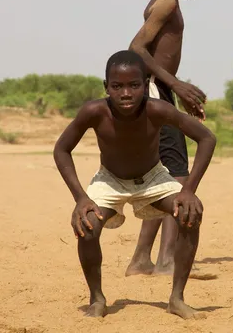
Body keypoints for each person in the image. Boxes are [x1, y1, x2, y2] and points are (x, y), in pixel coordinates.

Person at [53, 51, 216, 318]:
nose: (126, 93)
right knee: (88, 225)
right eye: (117, 86)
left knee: (190, 213)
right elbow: (61, 150)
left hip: (153, 178)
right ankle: (97, 299)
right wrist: (80, 197)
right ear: (106, 87)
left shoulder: (158, 109)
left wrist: (188, 190)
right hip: (110, 179)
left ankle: (177, 299)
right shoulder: (94, 112)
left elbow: (206, 138)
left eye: (134, 85)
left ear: (146, 85)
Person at [126, 0, 210, 276]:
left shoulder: (164, 1)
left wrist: (176, 91)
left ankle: (141, 259)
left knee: (166, 177)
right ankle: (166, 262)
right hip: (155, 93)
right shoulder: (166, 3)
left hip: (159, 93)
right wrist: (175, 86)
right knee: (178, 178)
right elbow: (136, 48)